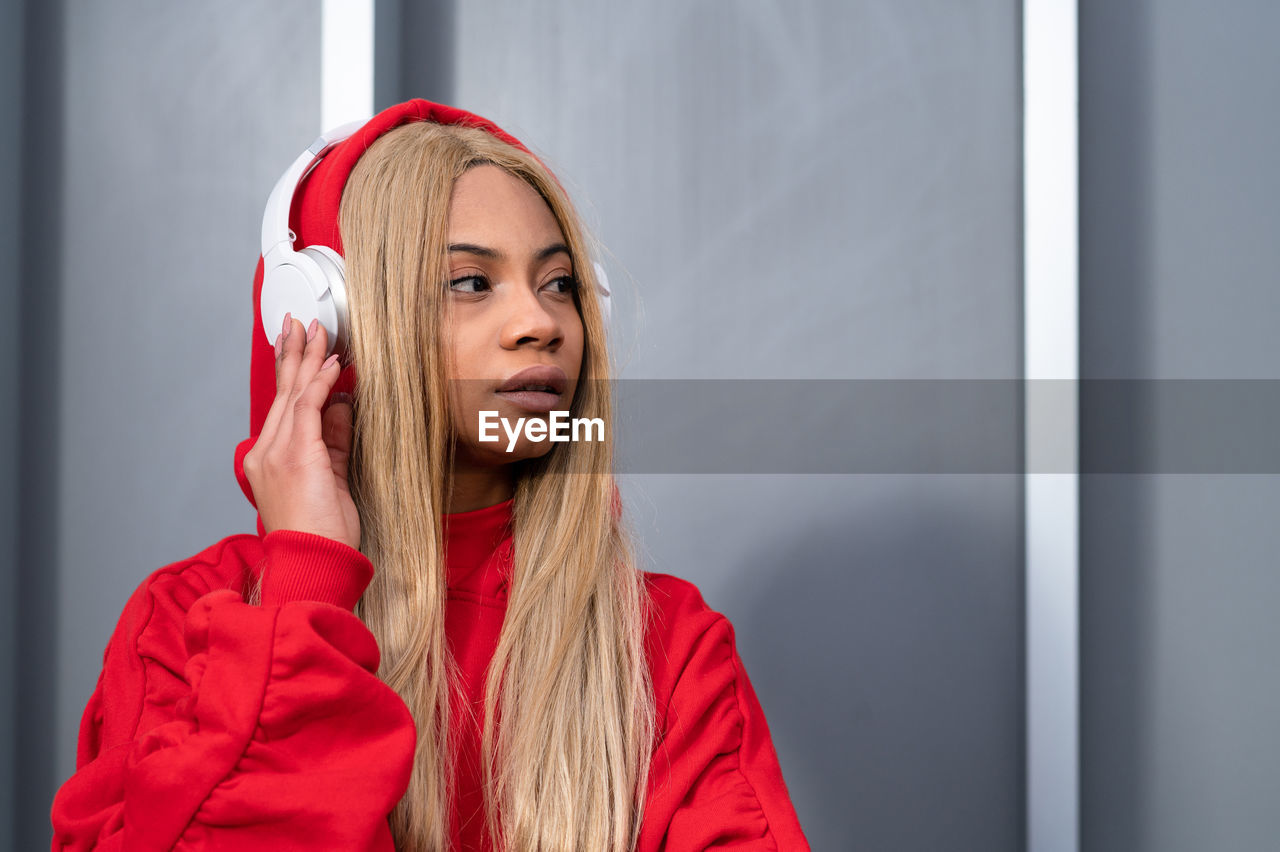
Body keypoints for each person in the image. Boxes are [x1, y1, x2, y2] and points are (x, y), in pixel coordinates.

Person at [50, 99, 809, 851]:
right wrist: (304, 591)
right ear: (333, 318)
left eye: (561, 284)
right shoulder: (189, 627)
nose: (541, 323)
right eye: (471, 282)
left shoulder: (668, 651)